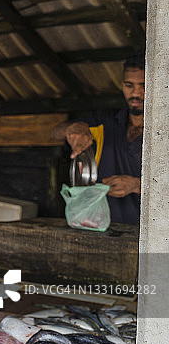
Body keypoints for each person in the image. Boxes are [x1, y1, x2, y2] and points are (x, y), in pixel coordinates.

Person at [51, 54, 145, 224]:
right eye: (129, 85)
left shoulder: (163, 131)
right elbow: (56, 132)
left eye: (144, 86)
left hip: (152, 236)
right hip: (104, 228)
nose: (136, 93)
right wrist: (74, 128)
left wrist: (138, 185)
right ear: (122, 85)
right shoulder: (106, 120)